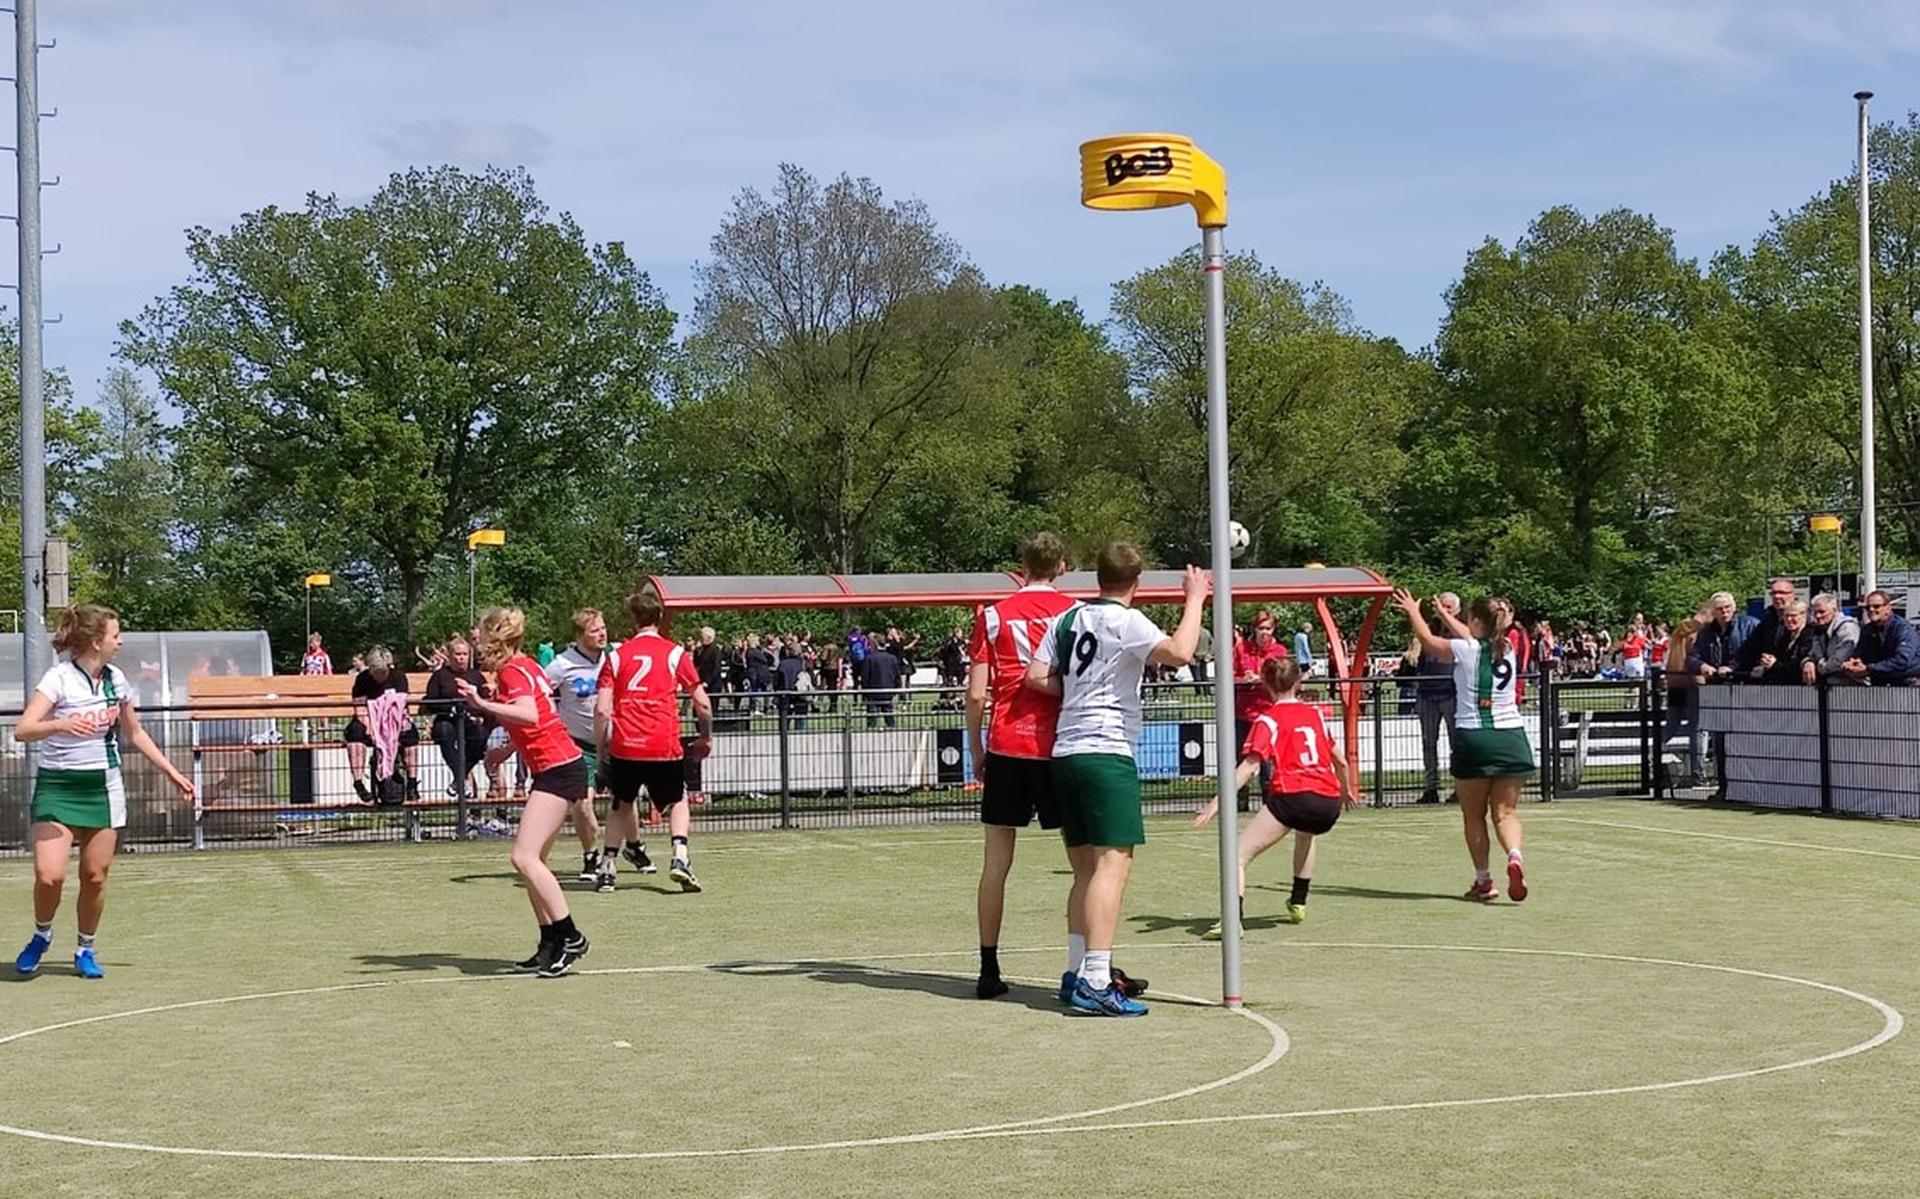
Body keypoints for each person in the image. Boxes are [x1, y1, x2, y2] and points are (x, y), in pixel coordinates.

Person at [1027, 544, 1208, 1018]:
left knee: (1086, 870)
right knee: (1113, 867)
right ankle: (1095, 978)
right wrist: (1195, 599)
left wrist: (1078, 692)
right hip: (1106, 751)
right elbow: (1182, 653)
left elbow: (1036, 677)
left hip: (1066, 750)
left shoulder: (1066, 620)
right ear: (1137, 581)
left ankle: (1077, 971)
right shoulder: (1127, 622)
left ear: (1096, 577)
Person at [968, 531, 1131, 1002]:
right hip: (1058, 746)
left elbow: (978, 692)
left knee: (996, 864)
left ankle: (987, 967)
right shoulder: (1074, 612)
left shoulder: (994, 615)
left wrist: (978, 749)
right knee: (1085, 865)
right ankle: (1083, 968)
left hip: (1006, 746)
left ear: (1020, 565)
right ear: (1062, 566)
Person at [14, 605, 195, 979]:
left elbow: (136, 733)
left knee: (95, 876)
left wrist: (173, 774)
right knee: (50, 876)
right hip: (58, 787)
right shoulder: (58, 678)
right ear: (97, 642)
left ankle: (85, 948)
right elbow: (24, 729)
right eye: (115, 635)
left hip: (103, 787)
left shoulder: (116, 680)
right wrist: (62, 723)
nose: (120, 641)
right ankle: (42, 935)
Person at [456, 606, 590, 977]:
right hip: (558, 765)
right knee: (534, 866)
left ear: (496, 639)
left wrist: (482, 704)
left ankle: (570, 935)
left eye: (481, 636)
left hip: (558, 769)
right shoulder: (525, 665)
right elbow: (540, 718)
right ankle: (549, 944)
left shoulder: (513, 671)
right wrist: (505, 748)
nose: (477, 643)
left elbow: (530, 714)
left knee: (524, 859)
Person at [1193, 657, 1358, 937]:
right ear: (1299, 682)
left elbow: (1248, 767)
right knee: (1307, 833)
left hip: (1294, 797)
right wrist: (1346, 791)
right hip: (1328, 801)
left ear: (1265, 684)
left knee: (1236, 856)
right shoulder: (1315, 714)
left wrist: (1215, 805)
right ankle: (1298, 901)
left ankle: (1233, 921)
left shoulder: (1268, 720)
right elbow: (1340, 761)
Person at [1395, 589, 1534, 903]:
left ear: (1474, 621)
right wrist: (1446, 615)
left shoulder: (1464, 649)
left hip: (1474, 737)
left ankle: (1484, 880)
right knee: (1506, 813)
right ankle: (1514, 855)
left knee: (1474, 815)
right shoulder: (1507, 647)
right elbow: (1474, 636)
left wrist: (1412, 611)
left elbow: (1428, 640)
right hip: (1512, 737)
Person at [595, 589, 714, 893]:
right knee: (678, 800)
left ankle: (607, 868)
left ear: (633, 619)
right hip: (663, 743)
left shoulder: (616, 656)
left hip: (626, 744)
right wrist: (705, 736)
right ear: (660, 618)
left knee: (621, 804)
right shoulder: (676, 653)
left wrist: (600, 750)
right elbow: (702, 703)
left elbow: (602, 709)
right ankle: (680, 857)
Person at [544, 610, 613, 884]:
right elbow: (540, 690)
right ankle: (591, 853)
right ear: (579, 635)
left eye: (603, 628)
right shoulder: (562, 664)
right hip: (580, 743)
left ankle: (632, 846)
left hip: (615, 742)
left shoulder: (614, 658)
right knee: (583, 804)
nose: (602, 634)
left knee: (625, 801)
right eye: (595, 630)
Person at [342, 646, 419, 803]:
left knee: (410, 735)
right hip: (369, 719)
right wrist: (372, 728)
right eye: (376, 672)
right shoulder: (362, 679)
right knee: (355, 733)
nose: (379, 676)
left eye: (382, 672)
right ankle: (358, 782)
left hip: (394, 720)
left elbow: (401, 705)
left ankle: (412, 783)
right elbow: (359, 706)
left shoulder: (398, 677)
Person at [1232, 610, 1290, 808]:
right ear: (1254, 630)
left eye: (1268, 628)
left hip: (1269, 714)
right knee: (1240, 759)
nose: (1264, 633)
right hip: (1244, 713)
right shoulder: (1241, 649)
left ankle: (1270, 803)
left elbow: (1283, 681)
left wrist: (1262, 679)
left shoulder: (1279, 651)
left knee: (1269, 762)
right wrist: (1242, 679)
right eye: (1261, 628)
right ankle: (1239, 801)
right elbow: (1229, 675)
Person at [425, 635, 490, 798]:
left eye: (465, 654)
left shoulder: (476, 676)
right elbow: (430, 700)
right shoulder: (440, 676)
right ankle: (462, 778)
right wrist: (450, 707)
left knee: (481, 735)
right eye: (458, 654)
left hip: (472, 721)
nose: (461, 658)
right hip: (448, 719)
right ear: (450, 656)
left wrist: (481, 714)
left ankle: (458, 779)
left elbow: (485, 700)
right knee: (443, 732)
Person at [1413, 592, 1460, 804]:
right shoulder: (1428, 631)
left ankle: (1460, 787)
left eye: (1448, 607)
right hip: (1427, 693)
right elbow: (1417, 663)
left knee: (1457, 744)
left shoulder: (1460, 633)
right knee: (1428, 743)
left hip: (1451, 693)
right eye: (1441, 606)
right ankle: (1430, 787)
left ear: (1456, 611)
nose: (1443, 610)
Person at [1845, 590, 1920, 686]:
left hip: (1907, 684)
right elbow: (1859, 654)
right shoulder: (1867, 629)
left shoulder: (1902, 628)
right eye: (1867, 607)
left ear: (1888, 608)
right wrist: (1851, 664)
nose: (1871, 610)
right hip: (1880, 685)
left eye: (1876, 606)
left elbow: (1902, 661)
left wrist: (1868, 669)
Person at [1735, 578, 1798, 674]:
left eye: (1782, 593)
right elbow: (1749, 649)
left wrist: (1776, 665)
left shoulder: (1806, 620)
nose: (1777, 596)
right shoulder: (1767, 621)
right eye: (1774, 593)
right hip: (1769, 681)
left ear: (1793, 595)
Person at [1803, 593, 1861, 686]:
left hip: (1852, 685)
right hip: (1830, 685)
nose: (1818, 616)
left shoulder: (1848, 628)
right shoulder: (1818, 629)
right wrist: (1808, 662)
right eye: (1815, 612)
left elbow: (1838, 661)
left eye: (1822, 612)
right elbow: (1812, 653)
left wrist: (1821, 667)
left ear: (1834, 610)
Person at [1750, 600, 1814, 684]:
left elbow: (1799, 663)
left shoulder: (1811, 634)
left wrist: (1775, 665)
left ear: (1803, 615)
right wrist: (1764, 666)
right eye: (1786, 616)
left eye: (1793, 616)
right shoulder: (1785, 635)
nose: (1789, 619)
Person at [863, 639, 904, 727]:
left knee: (872, 717)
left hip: (872, 692)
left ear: (876, 645)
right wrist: (896, 688)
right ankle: (891, 728)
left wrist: (865, 690)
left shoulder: (869, 658)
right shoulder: (892, 658)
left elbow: (865, 677)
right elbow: (897, 675)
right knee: (889, 715)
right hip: (888, 691)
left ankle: (870, 730)